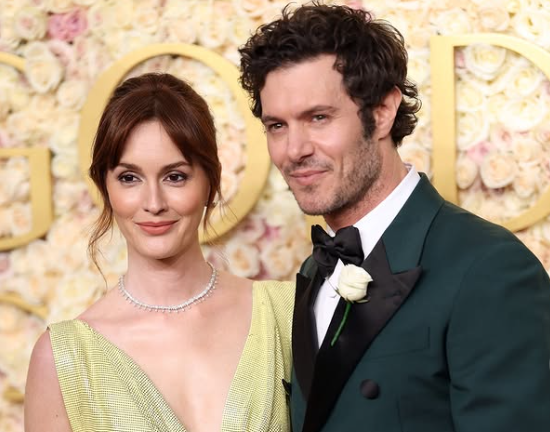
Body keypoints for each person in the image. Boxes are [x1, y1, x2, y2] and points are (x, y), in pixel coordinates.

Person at [239, 2, 550, 432]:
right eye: (277, 126)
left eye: (319, 117)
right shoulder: (315, 269)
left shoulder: (489, 268)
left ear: (383, 111)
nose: (294, 150)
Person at [24, 73, 294, 432]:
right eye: (129, 178)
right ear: (105, 188)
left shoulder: (285, 314)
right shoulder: (63, 360)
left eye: (175, 176)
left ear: (210, 184)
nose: (153, 203)